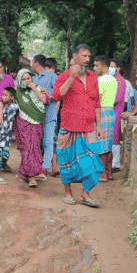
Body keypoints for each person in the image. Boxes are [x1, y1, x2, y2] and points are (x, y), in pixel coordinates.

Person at [52, 44, 104, 208]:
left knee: (91, 160)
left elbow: (96, 102)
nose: (87, 59)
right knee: (66, 160)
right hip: (68, 125)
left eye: (89, 56)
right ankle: (68, 193)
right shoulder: (64, 76)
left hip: (88, 127)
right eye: (84, 56)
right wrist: (70, 78)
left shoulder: (93, 77)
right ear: (74, 56)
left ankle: (85, 193)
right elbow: (56, 95)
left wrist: (99, 125)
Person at [14, 69, 48, 187]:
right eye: (23, 79)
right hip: (23, 123)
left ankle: (26, 172)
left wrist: (34, 89)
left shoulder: (38, 88)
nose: (27, 81)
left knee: (33, 148)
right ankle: (31, 177)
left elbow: (44, 100)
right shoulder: (17, 91)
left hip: (37, 122)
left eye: (28, 78)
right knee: (27, 148)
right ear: (19, 80)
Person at [0, 87, 20, 185]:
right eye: (3, 94)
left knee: (6, 155)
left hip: (7, 136)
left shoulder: (15, 107)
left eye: (6, 95)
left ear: (12, 97)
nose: (3, 97)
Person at [31, 55, 57, 179]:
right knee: (37, 143)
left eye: (32, 62)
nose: (31, 65)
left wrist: (50, 95)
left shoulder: (52, 77)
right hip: (36, 117)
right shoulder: (33, 79)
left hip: (50, 115)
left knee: (48, 142)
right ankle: (37, 167)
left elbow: (60, 95)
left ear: (36, 63)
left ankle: (44, 169)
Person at [94, 55, 117, 181]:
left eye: (97, 65)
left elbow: (97, 98)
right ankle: (109, 173)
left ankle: (102, 174)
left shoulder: (101, 80)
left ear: (103, 66)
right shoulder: (113, 79)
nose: (95, 68)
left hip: (101, 111)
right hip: (110, 111)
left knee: (101, 143)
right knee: (108, 144)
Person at [109, 59, 130, 171]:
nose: (110, 68)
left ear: (118, 68)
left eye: (112, 66)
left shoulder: (120, 81)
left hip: (116, 111)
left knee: (115, 138)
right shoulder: (113, 79)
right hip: (112, 111)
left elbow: (117, 98)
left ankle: (115, 164)